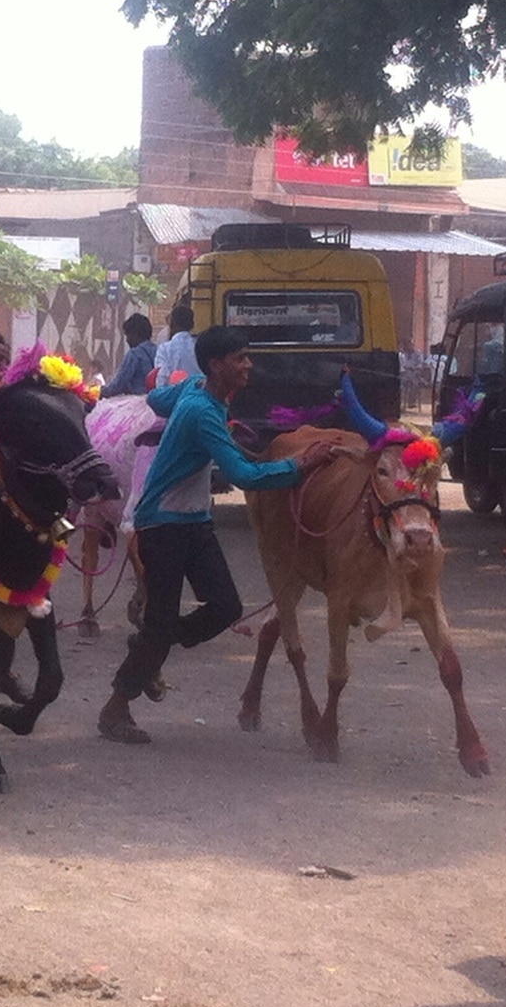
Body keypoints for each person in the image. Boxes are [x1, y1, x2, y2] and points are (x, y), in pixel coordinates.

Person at [97, 324, 340, 745]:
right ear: (216, 365)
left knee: (225, 607)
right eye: (240, 359)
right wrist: (301, 466)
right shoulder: (202, 411)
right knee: (161, 625)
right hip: (161, 525)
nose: (249, 365)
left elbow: (156, 396)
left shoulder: (193, 388)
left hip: (193, 521)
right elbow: (244, 475)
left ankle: (156, 642)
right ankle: (115, 708)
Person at [104, 313, 158, 396]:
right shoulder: (158, 350)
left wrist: (102, 391)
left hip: (137, 403)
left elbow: (118, 385)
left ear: (136, 334)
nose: (127, 340)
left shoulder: (134, 354)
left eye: (128, 335)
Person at [153, 304, 200, 381]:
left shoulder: (165, 349)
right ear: (192, 324)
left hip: (174, 392)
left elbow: (162, 377)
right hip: (197, 392)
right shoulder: (199, 347)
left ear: (171, 324)